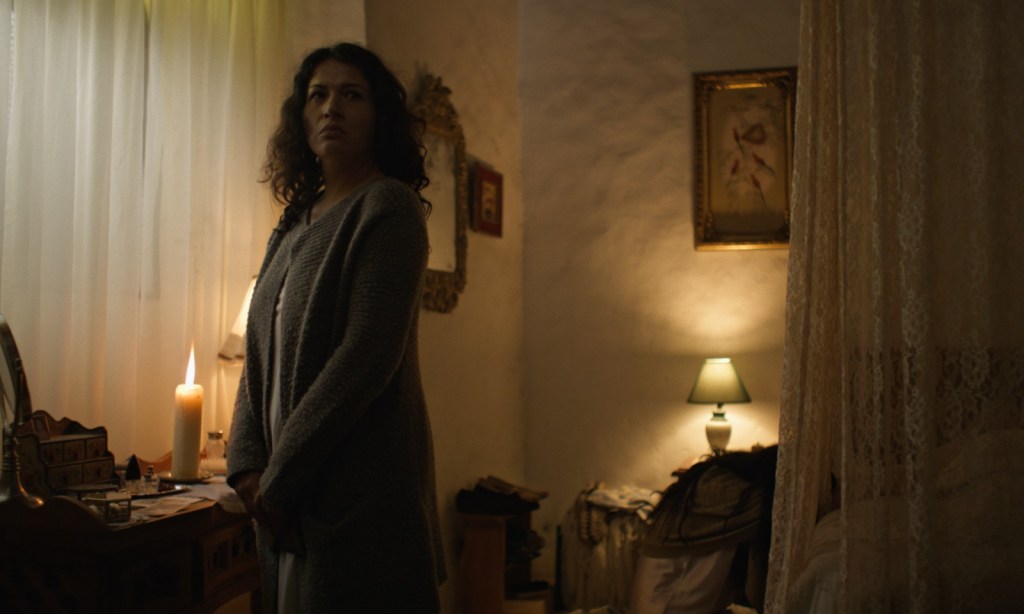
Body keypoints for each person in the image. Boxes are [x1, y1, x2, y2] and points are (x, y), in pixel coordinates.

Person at [226, 42, 445, 613]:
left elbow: (365, 357)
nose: (332, 108)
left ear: (379, 116)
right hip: (286, 501)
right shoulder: (291, 225)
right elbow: (257, 350)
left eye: (352, 95)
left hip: (358, 495)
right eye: (318, 95)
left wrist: (278, 478)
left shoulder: (388, 207)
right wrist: (246, 465)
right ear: (301, 116)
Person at [631, 445, 779, 613]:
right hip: (674, 597)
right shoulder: (749, 500)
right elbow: (758, 591)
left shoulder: (715, 475)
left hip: (653, 590)